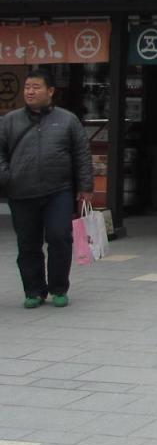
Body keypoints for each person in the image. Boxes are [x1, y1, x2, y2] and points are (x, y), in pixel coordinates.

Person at [0, 68, 92, 309]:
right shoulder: (10, 120)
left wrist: (85, 186)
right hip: (21, 191)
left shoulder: (67, 120)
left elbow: (81, 154)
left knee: (60, 237)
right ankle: (34, 291)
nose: (29, 92)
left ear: (50, 91)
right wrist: (7, 177)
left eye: (36, 87)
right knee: (28, 244)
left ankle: (59, 288)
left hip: (58, 190)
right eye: (27, 87)